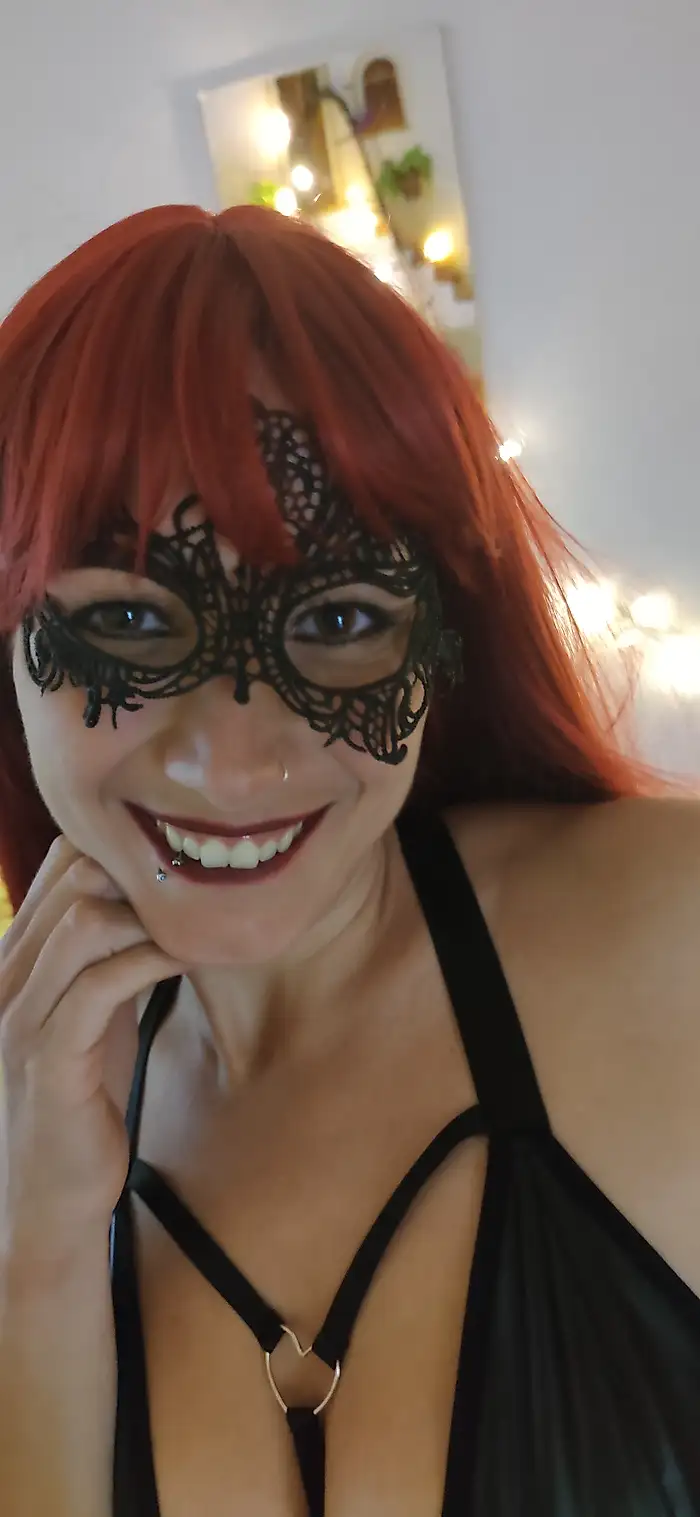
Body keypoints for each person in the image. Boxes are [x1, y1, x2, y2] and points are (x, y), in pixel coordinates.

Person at [0, 203, 699, 1517]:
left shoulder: (676, 939)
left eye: (335, 621)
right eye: (133, 618)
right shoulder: (23, 1124)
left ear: (441, 641)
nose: (235, 759)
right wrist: (34, 1254)